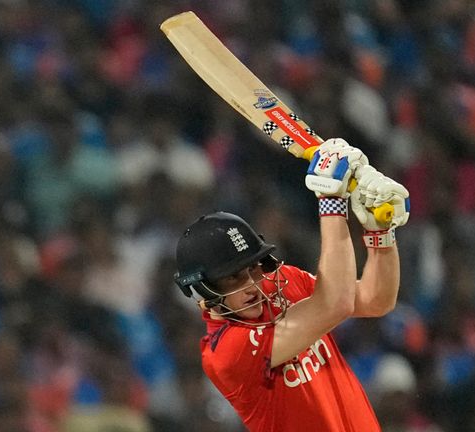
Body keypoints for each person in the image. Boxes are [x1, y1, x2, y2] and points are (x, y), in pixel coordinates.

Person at [173, 138, 410, 431]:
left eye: (253, 268)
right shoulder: (225, 353)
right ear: (204, 289)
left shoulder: (279, 283)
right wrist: (331, 201)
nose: (252, 284)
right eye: (233, 277)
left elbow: (375, 300)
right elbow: (335, 304)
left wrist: (380, 232)